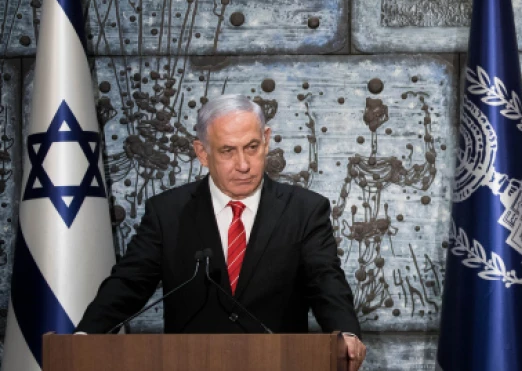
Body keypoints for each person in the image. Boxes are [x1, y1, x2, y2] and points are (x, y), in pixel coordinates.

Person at [77, 95, 366, 368]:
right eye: (228, 150)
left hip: (279, 364)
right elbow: (129, 283)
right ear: (202, 153)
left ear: (266, 140)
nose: (243, 165)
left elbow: (325, 281)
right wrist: (85, 337)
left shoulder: (305, 211)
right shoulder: (167, 213)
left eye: (252, 147)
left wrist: (347, 333)